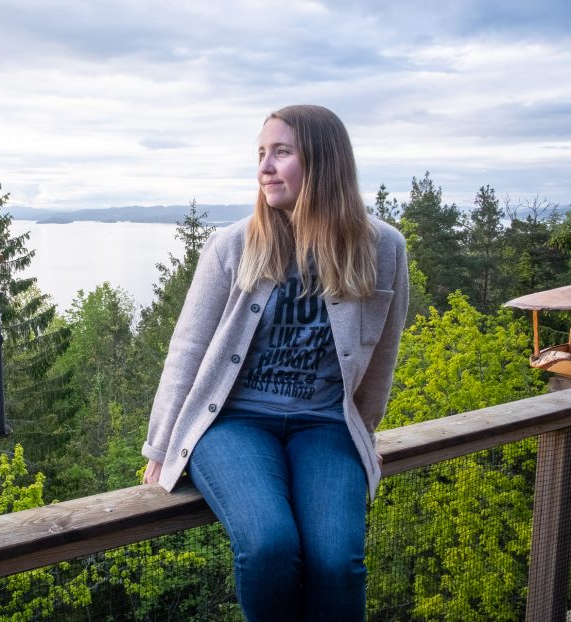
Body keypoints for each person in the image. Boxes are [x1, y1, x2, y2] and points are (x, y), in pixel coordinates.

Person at [141, 104, 408, 622]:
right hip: (233, 422)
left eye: (281, 152)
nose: (264, 166)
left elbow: (382, 356)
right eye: (261, 153)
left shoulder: (382, 248)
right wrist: (160, 445)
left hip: (326, 423)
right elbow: (188, 349)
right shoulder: (234, 244)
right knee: (268, 547)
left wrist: (365, 433)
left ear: (324, 162)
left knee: (337, 561)